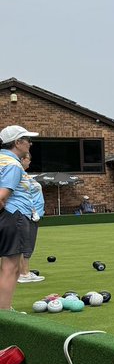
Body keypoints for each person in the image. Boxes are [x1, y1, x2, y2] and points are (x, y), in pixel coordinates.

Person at [0, 125, 38, 311]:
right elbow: (2, 195)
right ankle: (5, 312)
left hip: (8, 216)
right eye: (27, 139)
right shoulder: (13, 165)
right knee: (11, 267)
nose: (30, 143)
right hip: (14, 216)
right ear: (17, 142)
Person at [18, 151, 44, 283]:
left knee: (29, 243)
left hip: (34, 214)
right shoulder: (16, 174)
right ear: (21, 159)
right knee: (25, 244)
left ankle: (24, 271)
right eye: (28, 159)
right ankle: (24, 273)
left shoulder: (25, 176)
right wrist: (33, 211)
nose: (29, 162)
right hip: (28, 214)